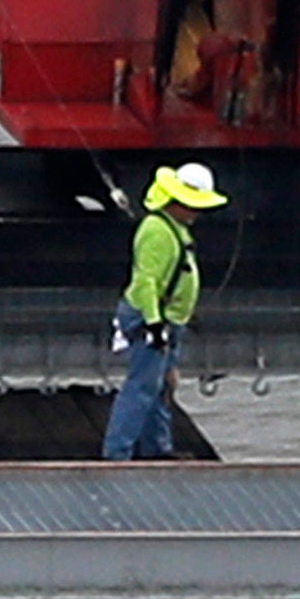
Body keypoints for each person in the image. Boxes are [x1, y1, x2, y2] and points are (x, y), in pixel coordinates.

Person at [106, 162, 226, 460]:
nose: (196, 213)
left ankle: (157, 449)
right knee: (142, 387)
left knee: (160, 388)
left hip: (169, 319)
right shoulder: (158, 232)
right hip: (152, 320)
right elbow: (145, 280)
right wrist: (154, 324)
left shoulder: (175, 228)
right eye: (191, 206)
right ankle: (117, 454)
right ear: (174, 202)